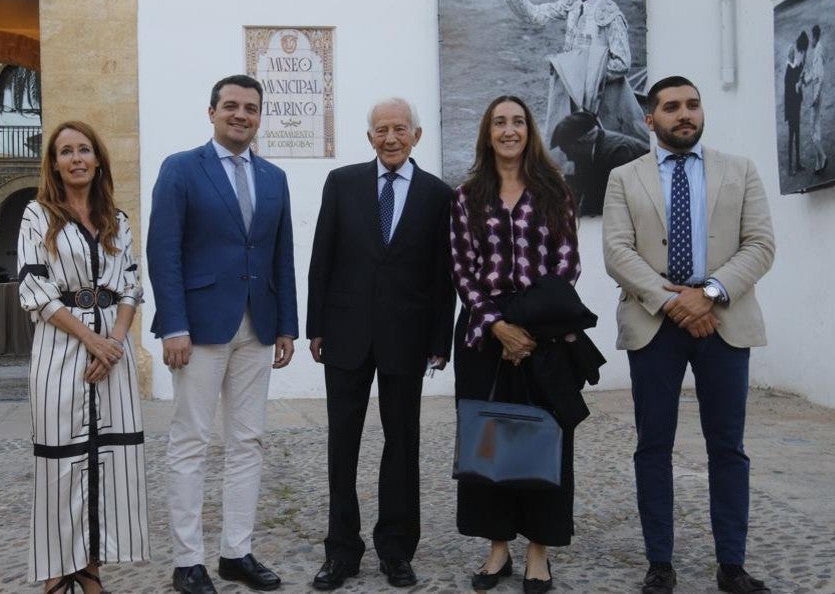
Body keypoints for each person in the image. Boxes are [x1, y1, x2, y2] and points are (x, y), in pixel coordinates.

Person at [602, 76, 775, 594]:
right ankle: (660, 562)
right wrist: (676, 302)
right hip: (656, 323)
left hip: (724, 319)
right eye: (672, 107)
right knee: (653, 444)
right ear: (649, 119)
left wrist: (712, 293)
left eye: (693, 106)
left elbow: (761, 244)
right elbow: (617, 252)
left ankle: (732, 565)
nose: (686, 115)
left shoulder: (739, 171)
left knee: (728, 447)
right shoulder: (623, 178)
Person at [148, 74, 299, 594]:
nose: (241, 115)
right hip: (198, 329)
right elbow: (162, 251)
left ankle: (237, 551)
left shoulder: (275, 178)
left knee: (248, 441)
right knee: (190, 440)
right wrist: (173, 324)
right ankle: (188, 560)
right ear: (211, 112)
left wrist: (286, 325)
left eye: (251, 108)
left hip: (258, 325)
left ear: (260, 117)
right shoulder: (181, 169)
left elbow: (281, 254)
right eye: (231, 106)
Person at [306, 98, 455, 590]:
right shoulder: (343, 183)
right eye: (381, 130)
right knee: (341, 444)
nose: (390, 138)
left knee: (403, 443)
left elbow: (442, 274)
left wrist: (440, 338)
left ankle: (396, 549)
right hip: (345, 334)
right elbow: (322, 255)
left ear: (416, 136)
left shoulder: (438, 195)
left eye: (399, 129)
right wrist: (316, 326)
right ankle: (341, 550)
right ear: (369, 137)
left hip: (406, 338)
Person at [449, 96, 582, 593]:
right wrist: (497, 326)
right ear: (487, 132)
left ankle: (539, 551)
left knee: (546, 439)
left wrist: (526, 328)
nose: (509, 130)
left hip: (544, 334)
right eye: (500, 122)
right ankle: (497, 547)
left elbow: (567, 264)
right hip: (484, 338)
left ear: (530, 131)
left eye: (518, 122)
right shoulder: (466, 196)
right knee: (489, 441)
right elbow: (462, 270)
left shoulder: (555, 190)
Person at [16, 120, 149, 593]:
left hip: (112, 354)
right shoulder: (37, 215)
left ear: (97, 160)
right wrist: (91, 342)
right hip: (60, 351)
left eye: (84, 150)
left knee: (108, 464)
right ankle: (57, 571)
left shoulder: (119, 219)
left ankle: (90, 568)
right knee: (60, 461)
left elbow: (132, 286)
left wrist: (112, 344)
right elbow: (35, 289)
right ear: (53, 162)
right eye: (66, 151)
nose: (76, 158)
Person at [503, 0, 648, 142]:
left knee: (612, 145)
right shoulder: (573, 3)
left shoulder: (610, 13)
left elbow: (622, 62)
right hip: (573, 89)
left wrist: (586, 76)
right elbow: (535, 16)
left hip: (603, 95)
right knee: (570, 145)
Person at [550, 110, 649, 216]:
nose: (568, 157)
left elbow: (621, 201)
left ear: (583, 141)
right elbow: (588, 193)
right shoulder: (584, 153)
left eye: (567, 150)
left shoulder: (619, 153)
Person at [801, 24, 828, 173]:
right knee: (816, 128)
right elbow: (814, 75)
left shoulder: (818, 52)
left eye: (812, 37)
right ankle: (819, 163)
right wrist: (806, 79)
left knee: (812, 128)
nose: (810, 40)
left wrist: (816, 97)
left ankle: (823, 157)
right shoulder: (818, 49)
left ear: (815, 37)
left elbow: (820, 76)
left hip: (817, 95)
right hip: (816, 92)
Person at [783, 31, 808, 176]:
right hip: (791, 102)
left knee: (796, 132)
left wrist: (801, 80)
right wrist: (797, 84)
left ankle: (797, 164)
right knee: (792, 133)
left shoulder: (800, 57)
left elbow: (800, 77)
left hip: (796, 101)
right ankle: (790, 167)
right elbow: (789, 83)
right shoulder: (791, 62)